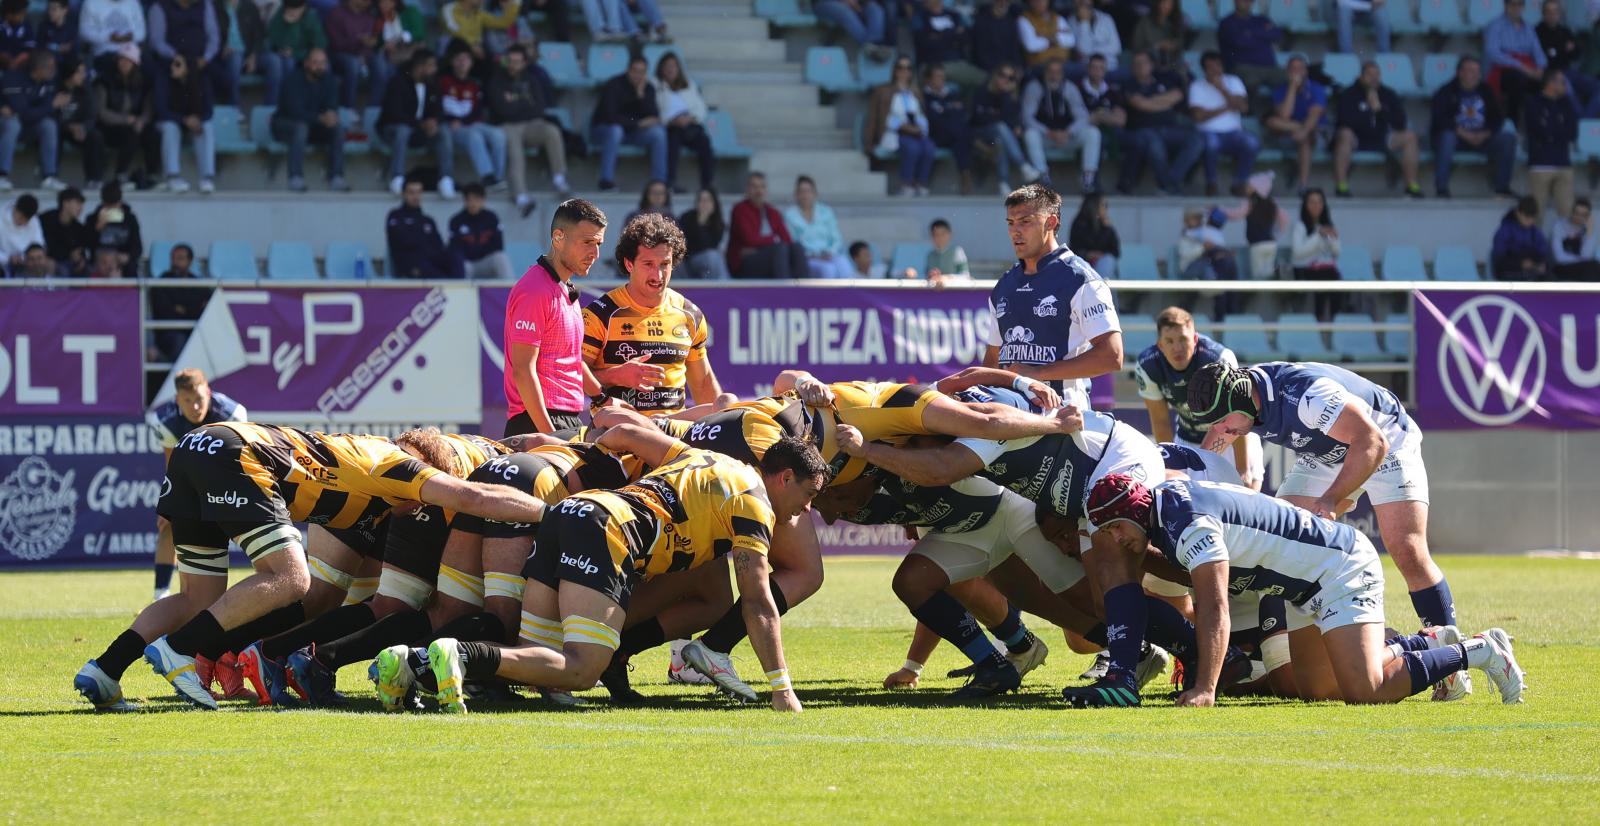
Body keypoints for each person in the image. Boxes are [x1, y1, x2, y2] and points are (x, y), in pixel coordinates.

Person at [73, 423, 554, 712]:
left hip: (195, 450)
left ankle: (105, 670)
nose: (422, 503)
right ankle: (180, 649)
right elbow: (472, 494)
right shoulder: (398, 466)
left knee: (195, 597)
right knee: (291, 577)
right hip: (235, 454)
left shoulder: (367, 479)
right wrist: (548, 513)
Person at [386, 431, 824, 714]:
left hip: (567, 515)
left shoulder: (708, 459)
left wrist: (595, 446)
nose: (807, 510)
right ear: (784, 478)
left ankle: (414, 662)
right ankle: (459, 654)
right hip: (606, 530)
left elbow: (628, 433)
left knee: (537, 660)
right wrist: (781, 686)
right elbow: (757, 600)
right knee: (581, 670)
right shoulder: (755, 504)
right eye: (808, 495)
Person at [1084, 473, 1524, 706]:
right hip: (1302, 585)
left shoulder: (1188, 523)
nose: (1116, 540)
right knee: (1314, 688)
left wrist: (1205, 688)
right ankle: (1426, 642)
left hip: (1339, 567)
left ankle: (1479, 650)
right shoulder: (1167, 509)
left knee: (1365, 690)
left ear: (1135, 510)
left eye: (1116, 528)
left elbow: (1215, 605)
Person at [1189, 359, 1472, 702]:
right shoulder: (1241, 400)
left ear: (1243, 400)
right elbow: (1209, 454)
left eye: (1222, 422)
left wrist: (1332, 500)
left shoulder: (1307, 395)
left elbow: (1372, 441)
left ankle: (1455, 664)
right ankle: (1288, 655)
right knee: (1278, 533)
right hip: (1326, 450)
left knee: (1408, 550)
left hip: (1385, 438)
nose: (1220, 431)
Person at [984, 184, 1122, 406]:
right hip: (1009, 416)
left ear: (1051, 223)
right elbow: (992, 360)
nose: (1015, 231)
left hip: (1062, 416)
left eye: (1025, 222)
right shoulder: (1004, 284)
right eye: (1010, 223)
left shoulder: (1081, 279)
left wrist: (1037, 373)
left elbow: (1112, 356)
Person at [584, 212, 730, 414]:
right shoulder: (601, 313)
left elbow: (703, 384)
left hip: (674, 433)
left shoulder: (690, 314)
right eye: (648, 264)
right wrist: (616, 376)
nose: (658, 275)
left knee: (727, 403)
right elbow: (572, 373)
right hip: (619, 430)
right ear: (629, 264)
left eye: (664, 264)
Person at [503, 198, 606, 435]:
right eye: (588, 242)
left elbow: (571, 359)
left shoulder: (563, 288)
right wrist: (549, 437)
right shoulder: (535, 290)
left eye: (599, 243)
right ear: (558, 238)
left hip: (563, 420)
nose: (595, 253)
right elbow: (523, 370)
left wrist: (602, 397)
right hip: (537, 424)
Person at [142, 369, 245, 602]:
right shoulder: (167, 423)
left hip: (227, 476)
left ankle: (268, 581)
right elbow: (173, 468)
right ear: (178, 400)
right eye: (187, 401)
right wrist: (172, 505)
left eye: (199, 399)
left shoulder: (232, 415)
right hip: (190, 477)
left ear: (208, 393)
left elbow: (239, 463)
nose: (195, 407)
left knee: (252, 521)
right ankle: (160, 594)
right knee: (169, 521)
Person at [1135, 306, 1263, 488]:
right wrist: (1170, 462)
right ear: (1160, 345)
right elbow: (1160, 421)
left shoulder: (1219, 359)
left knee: (1249, 497)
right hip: (1188, 438)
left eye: (1183, 339)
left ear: (1195, 339)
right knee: (1181, 497)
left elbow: (1239, 414)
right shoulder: (1148, 365)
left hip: (1230, 435)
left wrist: (1242, 467)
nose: (1177, 347)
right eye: (1169, 341)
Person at [489, 44, 567, 218]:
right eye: (510, 61)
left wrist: (515, 106)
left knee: (551, 131)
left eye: (517, 62)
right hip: (507, 126)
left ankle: (559, 178)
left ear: (524, 63)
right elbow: (501, 111)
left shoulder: (532, 80)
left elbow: (539, 108)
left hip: (531, 124)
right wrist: (524, 106)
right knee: (514, 148)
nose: (513, 65)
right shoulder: (497, 81)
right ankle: (521, 195)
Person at [1333, 60, 1422, 198]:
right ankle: (1341, 185)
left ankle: (1411, 185)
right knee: (1344, 134)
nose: (1374, 78)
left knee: (1410, 136)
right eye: (1369, 74)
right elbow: (1343, 121)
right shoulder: (1349, 94)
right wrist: (1366, 113)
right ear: (1361, 76)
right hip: (1356, 139)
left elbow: (1400, 122)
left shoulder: (1388, 94)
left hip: (1383, 137)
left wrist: (1379, 110)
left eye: (1377, 74)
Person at [1429, 56, 1515, 199]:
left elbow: (1498, 118)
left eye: (1477, 71)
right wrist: (1463, 133)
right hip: (1457, 138)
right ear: (1460, 73)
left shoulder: (1486, 90)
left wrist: (1485, 134)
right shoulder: (1445, 91)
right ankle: (1442, 189)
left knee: (1507, 139)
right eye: (1470, 71)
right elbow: (1440, 119)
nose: (1475, 75)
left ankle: (1502, 188)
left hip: (1482, 138)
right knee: (1446, 138)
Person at [1119, 51, 1202, 195]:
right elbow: (1140, 104)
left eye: (1143, 63)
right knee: (1154, 143)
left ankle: (1170, 181)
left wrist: (1149, 101)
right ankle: (1169, 186)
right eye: (1136, 64)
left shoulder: (1163, 80)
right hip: (1143, 130)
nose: (1139, 66)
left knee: (1197, 139)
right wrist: (1163, 102)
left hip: (1169, 129)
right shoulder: (1129, 84)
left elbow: (1177, 96)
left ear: (1151, 65)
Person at [377, 50, 456, 198]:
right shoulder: (398, 82)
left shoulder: (433, 84)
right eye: (431, 66)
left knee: (444, 131)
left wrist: (434, 122)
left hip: (420, 131)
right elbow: (394, 113)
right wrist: (420, 124)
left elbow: (439, 111)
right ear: (419, 67)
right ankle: (397, 177)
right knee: (403, 130)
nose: (434, 70)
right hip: (392, 129)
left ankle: (446, 179)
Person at [271, 47, 348, 192]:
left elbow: (332, 105)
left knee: (338, 128)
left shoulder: (330, 80)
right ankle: (295, 177)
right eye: (315, 62)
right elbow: (294, 111)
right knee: (300, 127)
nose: (319, 67)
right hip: (285, 126)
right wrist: (320, 118)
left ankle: (336, 177)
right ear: (306, 63)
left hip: (314, 126)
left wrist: (331, 115)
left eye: (322, 63)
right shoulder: (292, 80)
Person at [1021, 59, 1102, 192]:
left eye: (1057, 72)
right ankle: (1043, 176)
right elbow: (1027, 117)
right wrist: (1048, 132)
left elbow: (1082, 117)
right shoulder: (1035, 87)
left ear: (1062, 74)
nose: (1053, 76)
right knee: (1030, 134)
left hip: (1067, 137)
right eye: (1050, 72)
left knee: (1093, 132)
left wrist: (1068, 132)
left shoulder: (1069, 87)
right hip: (1045, 137)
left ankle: (1088, 178)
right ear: (1045, 73)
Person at [589, 55, 666, 192]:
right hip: (603, 131)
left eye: (642, 72)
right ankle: (606, 180)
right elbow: (609, 116)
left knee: (658, 133)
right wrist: (637, 124)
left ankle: (659, 183)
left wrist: (641, 96)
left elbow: (653, 116)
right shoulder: (614, 85)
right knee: (615, 130)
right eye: (635, 71)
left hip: (631, 133)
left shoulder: (647, 88)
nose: (638, 75)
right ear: (628, 70)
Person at [1189, 50, 1257, 197]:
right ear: (1204, 69)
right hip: (1207, 131)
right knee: (1210, 144)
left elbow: (1243, 108)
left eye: (1217, 66)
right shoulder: (1197, 86)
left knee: (1251, 143)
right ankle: (1211, 183)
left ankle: (1239, 183)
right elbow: (1198, 116)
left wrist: (1222, 89)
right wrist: (1226, 106)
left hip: (1233, 132)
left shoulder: (1233, 81)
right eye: (1210, 67)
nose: (1215, 70)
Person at [94, 43, 161, 190]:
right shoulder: (105, 81)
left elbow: (147, 109)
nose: (123, 63)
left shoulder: (144, 82)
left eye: (127, 60)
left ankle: (152, 175)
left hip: (135, 125)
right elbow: (102, 112)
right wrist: (125, 120)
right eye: (121, 59)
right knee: (130, 133)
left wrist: (141, 121)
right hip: (110, 127)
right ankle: (120, 174)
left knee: (153, 134)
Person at [868, 56, 937, 197]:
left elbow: (921, 114)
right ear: (895, 70)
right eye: (901, 67)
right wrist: (901, 126)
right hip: (895, 133)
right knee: (912, 148)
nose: (904, 71)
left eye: (908, 68)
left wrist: (919, 127)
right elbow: (879, 117)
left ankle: (921, 183)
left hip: (915, 132)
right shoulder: (883, 90)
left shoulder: (916, 92)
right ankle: (907, 184)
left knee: (929, 147)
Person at [439, 48, 506, 190]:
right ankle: (487, 178)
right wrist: (450, 120)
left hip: (468, 124)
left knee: (498, 134)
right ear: (452, 62)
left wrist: (463, 122)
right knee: (474, 136)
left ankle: (497, 178)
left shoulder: (475, 84)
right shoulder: (443, 81)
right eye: (459, 58)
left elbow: (477, 111)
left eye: (466, 59)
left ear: (471, 63)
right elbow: (436, 107)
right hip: (449, 126)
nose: (462, 62)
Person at [0, 49, 67, 192]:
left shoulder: (49, 82)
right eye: (49, 67)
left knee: (49, 125)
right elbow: (23, 113)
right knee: (13, 124)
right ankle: (2, 175)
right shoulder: (13, 78)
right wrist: (51, 105)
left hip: (28, 125)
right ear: (37, 68)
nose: (53, 70)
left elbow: (39, 113)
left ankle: (49, 177)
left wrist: (47, 107)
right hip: (7, 124)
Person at [972, 64, 1041, 195]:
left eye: (1010, 78)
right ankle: (1023, 165)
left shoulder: (1010, 98)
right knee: (1000, 127)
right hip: (981, 133)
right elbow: (979, 119)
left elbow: (1012, 121)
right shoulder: (982, 92)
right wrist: (1000, 119)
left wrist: (1005, 95)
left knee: (1000, 140)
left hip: (1000, 137)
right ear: (994, 75)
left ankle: (1003, 183)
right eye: (1002, 75)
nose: (1005, 80)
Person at [650, 52, 713, 194]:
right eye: (667, 66)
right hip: (670, 126)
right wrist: (672, 120)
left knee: (705, 142)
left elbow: (701, 107)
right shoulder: (655, 85)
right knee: (673, 141)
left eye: (673, 66)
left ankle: (707, 185)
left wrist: (690, 118)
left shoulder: (688, 84)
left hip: (690, 124)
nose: (670, 69)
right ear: (661, 69)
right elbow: (655, 109)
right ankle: (670, 183)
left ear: (679, 68)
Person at [154, 52, 217, 193]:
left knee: (207, 127)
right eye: (172, 63)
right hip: (170, 122)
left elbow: (209, 110)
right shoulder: (164, 79)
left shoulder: (202, 80)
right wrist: (183, 120)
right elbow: (161, 110)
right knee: (170, 128)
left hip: (193, 123)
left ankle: (207, 178)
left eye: (178, 64)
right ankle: (172, 177)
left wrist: (198, 120)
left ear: (188, 67)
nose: (172, 67)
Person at [726, 171, 806, 278]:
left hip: (769, 254)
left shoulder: (773, 212)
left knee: (797, 248)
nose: (759, 191)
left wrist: (767, 243)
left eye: (762, 187)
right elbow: (749, 239)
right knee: (780, 249)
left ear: (766, 189)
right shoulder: (739, 210)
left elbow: (786, 239)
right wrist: (774, 240)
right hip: (744, 263)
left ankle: (803, 290)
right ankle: (785, 290)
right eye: (754, 187)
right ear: (747, 190)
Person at [1266, 55, 1327, 195]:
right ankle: (1299, 131)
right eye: (1292, 69)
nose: (1296, 72)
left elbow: (1315, 115)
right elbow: (1284, 115)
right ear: (1287, 71)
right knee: (1272, 122)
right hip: (1290, 133)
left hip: (1314, 132)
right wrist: (1292, 88)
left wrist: (1304, 131)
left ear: (1305, 71)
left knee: (1304, 141)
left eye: (1299, 68)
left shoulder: (1316, 88)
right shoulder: (1280, 90)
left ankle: (1303, 185)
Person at [1525, 68, 1578, 221]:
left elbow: (1572, 132)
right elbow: (1538, 129)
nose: (1566, 86)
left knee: (1568, 213)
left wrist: (1552, 133)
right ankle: (1533, 244)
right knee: (1536, 213)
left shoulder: (1567, 103)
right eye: (1562, 82)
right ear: (1550, 83)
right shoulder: (1533, 103)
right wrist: (1555, 132)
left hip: (1563, 163)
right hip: (1540, 164)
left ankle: (1569, 244)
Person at [387, 175, 463, 278]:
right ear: (403, 194)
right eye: (411, 192)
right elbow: (404, 242)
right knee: (431, 271)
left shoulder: (428, 220)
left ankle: (459, 291)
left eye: (419, 192)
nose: (416, 196)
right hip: (410, 265)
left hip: (430, 261)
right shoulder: (395, 217)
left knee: (455, 257)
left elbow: (439, 246)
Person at [1484, 0, 1545, 124]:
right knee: (1517, 80)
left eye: (1519, 4)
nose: (1516, 7)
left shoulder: (1528, 27)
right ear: (1506, 6)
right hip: (1504, 69)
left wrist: (1540, 68)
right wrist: (1521, 66)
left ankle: (1540, 124)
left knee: (1548, 80)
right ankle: (1513, 122)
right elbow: (1493, 53)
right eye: (1513, 4)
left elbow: (1537, 51)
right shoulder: (1495, 25)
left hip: (1528, 68)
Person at [1223, 170, 1289, 278]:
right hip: (1271, 243)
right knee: (1268, 271)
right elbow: (1284, 218)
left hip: (1256, 244)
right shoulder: (1272, 203)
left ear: (1256, 188)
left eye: (1249, 186)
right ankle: (1275, 276)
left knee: (1257, 274)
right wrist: (1278, 234)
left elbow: (1237, 214)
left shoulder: (1249, 203)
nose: (1246, 188)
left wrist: (1221, 210)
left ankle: (1266, 289)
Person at [150, 245, 213, 358]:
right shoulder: (160, 283)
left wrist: (182, 309)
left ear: (189, 261)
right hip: (169, 335)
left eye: (180, 258)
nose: (175, 262)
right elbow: (165, 313)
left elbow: (208, 309)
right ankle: (182, 376)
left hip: (195, 332)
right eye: (173, 258)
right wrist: (193, 309)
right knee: (180, 341)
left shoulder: (199, 284)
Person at [783, 175, 851, 279]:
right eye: (801, 191)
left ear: (815, 194)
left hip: (829, 255)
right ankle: (827, 296)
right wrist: (812, 255)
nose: (805, 195)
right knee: (828, 269)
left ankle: (848, 295)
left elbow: (837, 239)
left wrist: (830, 252)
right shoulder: (790, 215)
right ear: (796, 195)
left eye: (808, 191)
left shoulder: (826, 211)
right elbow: (792, 242)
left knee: (844, 264)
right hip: (807, 259)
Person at [1536, 0, 1598, 112]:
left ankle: (1585, 122)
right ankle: (1582, 123)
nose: (1552, 15)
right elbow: (1546, 57)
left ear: (1560, 13)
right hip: (1551, 74)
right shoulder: (1537, 32)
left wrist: (1572, 49)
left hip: (1569, 71)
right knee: (1568, 91)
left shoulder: (1565, 31)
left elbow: (1576, 55)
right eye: (1548, 11)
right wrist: (1561, 50)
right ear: (1543, 13)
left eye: (1555, 11)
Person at [921, 63, 975, 194]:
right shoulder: (923, 97)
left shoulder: (952, 95)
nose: (942, 80)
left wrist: (945, 112)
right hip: (934, 135)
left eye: (943, 77)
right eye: (938, 77)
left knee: (959, 138)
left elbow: (961, 114)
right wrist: (949, 112)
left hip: (953, 135)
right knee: (961, 134)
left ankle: (966, 177)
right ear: (928, 79)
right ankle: (966, 175)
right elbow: (933, 120)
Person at [260, 0, 325, 105]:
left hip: (306, 55)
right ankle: (279, 104)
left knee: (323, 65)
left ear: (303, 7)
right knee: (287, 62)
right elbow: (272, 38)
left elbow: (320, 43)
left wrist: (297, 53)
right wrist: (287, 25)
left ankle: (315, 104)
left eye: (296, 10)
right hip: (284, 57)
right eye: (289, 10)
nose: (293, 13)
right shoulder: (280, 15)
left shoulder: (311, 16)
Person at [1290, 187, 1342, 319]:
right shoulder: (1300, 226)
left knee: (1335, 277)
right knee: (1327, 276)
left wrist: (1332, 238)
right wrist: (1318, 235)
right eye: (1312, 202)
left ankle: (1336, 320)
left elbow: (1336, 252)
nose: (1316, 206)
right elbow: (1298, 253)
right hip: (1303, 269)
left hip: (1324, 270)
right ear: (1305, 205)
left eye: (1319, 202)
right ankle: (1321, 319)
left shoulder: (1327, 225)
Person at [56, 56, 106, 188]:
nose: (83, 76)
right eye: (80, 72)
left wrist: (83, 127)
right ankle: (51, 176)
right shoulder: (56, 89)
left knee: (95, 136)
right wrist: (68, 126)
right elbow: (50, 115)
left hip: (79, 129)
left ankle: (94, 179)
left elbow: (91, 115)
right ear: (70, 72)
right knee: (53, 133)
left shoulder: (85, 90)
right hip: (60, 128)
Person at [1215, 0, 1280, 95]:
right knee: (1250, 82)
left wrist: (1250, 33)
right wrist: (1263, 34)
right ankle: (1250, 110)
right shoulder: (1227, 22)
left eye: (1249, 0)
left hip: (1269, 68)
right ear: (1235, 1)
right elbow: (1239, 41)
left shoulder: (1261, 20)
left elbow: (1277, 34)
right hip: (1243, 69)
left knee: (1290, 78)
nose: (1246, 2)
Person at [448, 181, 511, 279]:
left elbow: (498, 245)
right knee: (461, 265)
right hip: (467, 263)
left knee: (500, 258)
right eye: (469, 200)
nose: (473, 204)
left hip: (485, 263)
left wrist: (477, 250)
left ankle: (512, 292)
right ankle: (463, 294)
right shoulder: (456, 220)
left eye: (476, 200)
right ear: (465, 201)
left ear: (483, 200)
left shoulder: (491, 218)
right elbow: (454, 248)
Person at [324, 0, 379, 108]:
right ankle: (348, 108)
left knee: (379, 63)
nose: (369, 2)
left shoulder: (368, 16)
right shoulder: (336, 13)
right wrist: (358, 41)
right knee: (352, 63)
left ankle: (373, 109)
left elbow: (369, 42)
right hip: (337, 55)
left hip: (361, 56)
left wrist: (364, 53)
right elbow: (336, 44)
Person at [915, 0, 982, 89]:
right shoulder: (920, 17)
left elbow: (966, 38)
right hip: (933, 63)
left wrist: (939, 35)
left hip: (957, 63)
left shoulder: (954, 15)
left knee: (986, 80)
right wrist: (953, 33)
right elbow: (923, 43)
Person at [88, 180, 141, 277]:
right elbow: (88, 244)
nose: (112, 210)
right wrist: (97, 229)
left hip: (121, 261)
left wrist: (127, 257)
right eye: (109, 207)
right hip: (100, 261)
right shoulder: (93, 218)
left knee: (131, 268)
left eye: (115, 206)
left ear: (120, 203)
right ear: (103, 204)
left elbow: (137, 247)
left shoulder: (129, 219)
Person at [1491, 195, 1551, 279]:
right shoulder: (1504, 231)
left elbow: (1543, 253)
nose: (1529, 221)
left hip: (1531, 272)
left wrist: (1541, 264)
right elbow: (1499, 260)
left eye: (1532, 217)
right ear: (1518, 213)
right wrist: (1519, 264)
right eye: (1526, 216)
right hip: (1509, 272)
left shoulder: (1535, 232)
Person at [40, 187, 93, 276]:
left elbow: (82, 250)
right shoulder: (46, 220)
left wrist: (80, 260)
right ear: (65, 203)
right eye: (78, 203)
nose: (81, 208)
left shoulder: (78, 227)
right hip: (50, 262)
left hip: (70, 264)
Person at [1131, 0, 1189, 79]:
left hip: (1172, 66)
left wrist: (1173, 46)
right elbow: (1136, 48)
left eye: (1170, 4)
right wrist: (1157, 46)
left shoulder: (1177, 22)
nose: (1167, 6)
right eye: (1164, 3)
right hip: (1149, 67)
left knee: (1187, 76)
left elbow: (1180, 47)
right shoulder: (1145, 22)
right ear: (1158, 3)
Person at [815, 0, 891, 61]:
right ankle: (870, 48)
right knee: (845, 12)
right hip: (825, 3)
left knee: (875, 10)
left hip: (857, 3)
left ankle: (873, 43)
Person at [678, 187, 726, 279]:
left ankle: (723, 285)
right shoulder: (687, 217)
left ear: (714, 204)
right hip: (689, 261)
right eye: (702, 200)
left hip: (709, 263)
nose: (705, 203)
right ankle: (726, 286)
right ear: (697, 203)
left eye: (708, 200)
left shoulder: (718, 223)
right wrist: (701, 220)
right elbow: (692, 246)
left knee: (715, 257)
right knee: (713, 257)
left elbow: (710, 245)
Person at [1068, 192, 1118, 277]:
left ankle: (1104, 289)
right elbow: (1074, 249)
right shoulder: (1079, 224)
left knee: (1108, 261)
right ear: (1094, 206)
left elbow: (1115, 251)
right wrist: (1089, 254)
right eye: (1103, 205)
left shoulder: (1105, 226)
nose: (1106, 209)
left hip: (1102, 264)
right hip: (1083, 264)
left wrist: (1107, 229)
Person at [1549, 197, 1600, 279]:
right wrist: (1580, 259)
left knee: (1595, 266)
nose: (1579, 217)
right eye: (1577, 213)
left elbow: (1586, 255)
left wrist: (1589, 234)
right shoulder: (1559, 226)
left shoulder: (1589, 229)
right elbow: (1559, 257)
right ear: (1571, 212)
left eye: (1583, 215)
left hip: (1582, 268)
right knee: (1591, 267)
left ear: (1588, 217)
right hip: (1562, 268)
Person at [80, 0, 146, 63]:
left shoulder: (133, 2)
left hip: (132, 53)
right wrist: (108, 37)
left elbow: (142, 32)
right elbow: (85, 32)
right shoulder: (91, 2)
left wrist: (131, 36)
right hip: (105, 53)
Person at [1066, 0, 1121, 74]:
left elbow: (1116, 48)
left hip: (1109, 65)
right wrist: (1084, 22)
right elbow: (1084, 49)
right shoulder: (1070, 21)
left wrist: (1090, 51)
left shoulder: (1106, 18)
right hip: (1086, 68)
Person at [972, 0, 1023, 75]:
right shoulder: (981, 21)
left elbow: (1014, 49)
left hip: (1008, 68)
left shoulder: (1011, 21)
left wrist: (1017, 67)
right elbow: (980, 53)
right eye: (1000, 0)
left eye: (1007, 1)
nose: (1003, 3)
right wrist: (999, 72)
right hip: (987, 69)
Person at [1017, 0, 1072, 69]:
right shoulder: (1023, 19)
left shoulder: (1057, 18)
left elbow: (1070, 40)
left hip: (1063, 63)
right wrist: (1054, 39)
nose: (1039, 2)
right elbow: (1030, 46)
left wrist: (1045, 37)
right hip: (1039, 65)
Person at [0, 193, 43, 272]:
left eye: (26, 220)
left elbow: (38, 245)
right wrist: (8, 258)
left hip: (27, 261)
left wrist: (25, 257)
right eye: (20, 217)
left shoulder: (34, 221)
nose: (23, 222)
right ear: (15, 209)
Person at [925, 218, 969, 286]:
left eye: (943, 234)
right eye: (936, 235)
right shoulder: (930, 255)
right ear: (932, 236)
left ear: (950, 234)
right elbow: (926, 278)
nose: (940, 238)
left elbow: (965, 276)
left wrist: (946, 278)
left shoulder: (957, 251)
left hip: (954, 293)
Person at [0, 0, 36, 73]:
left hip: (20, 64)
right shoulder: (1, 25)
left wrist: (17, 61)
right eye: (21, 13)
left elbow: (30, 48)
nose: (24, 15)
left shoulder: (26, 24)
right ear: (9, 15)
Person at [38, 0, 78, 64]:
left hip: (66, 65)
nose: (50, 12)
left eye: (54, 9)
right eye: (49, 8)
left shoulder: (72, 28)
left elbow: (73, 49)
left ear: (65, 10)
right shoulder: (44, 26)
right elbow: (40, 47)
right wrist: (58, 48)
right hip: (47, 64)